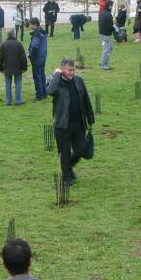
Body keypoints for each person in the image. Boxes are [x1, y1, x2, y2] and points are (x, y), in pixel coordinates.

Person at [46, 58, 95, 187]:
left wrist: (90, 117)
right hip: (62, 125)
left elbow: (86, 99)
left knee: (80, 149)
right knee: (64, 151)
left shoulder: (79, 80)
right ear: (62, 69)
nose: (71, 73)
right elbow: (51, 91)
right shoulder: (55, 81)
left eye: (73, 70)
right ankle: (67, 177)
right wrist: (56, 74)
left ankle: (68, 167)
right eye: (69, 70)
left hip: (78, 123)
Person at [0, 29, 28, 106]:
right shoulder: (19, 44)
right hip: (18, 67)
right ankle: (18, 100)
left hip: (7, 68)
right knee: (18, 83)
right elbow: (23, 57)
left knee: (8, 84)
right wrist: (24, 67)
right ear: (14, 35)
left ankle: (8, 100)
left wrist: (0, 68)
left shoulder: (3, 45)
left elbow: (0, 58)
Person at [27, 18, 48, 101]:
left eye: (30, 24)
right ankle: (44, 92)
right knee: (42, 75)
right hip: (43, 57)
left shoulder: (37, 34)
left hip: (37, 58)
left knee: (37, 76)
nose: (29, 26)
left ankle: (39, 95)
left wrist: (30, 56)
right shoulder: (43, 32)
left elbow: (35, 47)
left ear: (35, 24)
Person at [98, 3, 114, 70]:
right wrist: (114, 28)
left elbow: (99, 23)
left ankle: (103, 62)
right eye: (112, 5)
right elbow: (110, 26)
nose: (112, 7)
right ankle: (104, 65)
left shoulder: (101, 13)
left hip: (102, 33)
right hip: (106, 34)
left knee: (110, 48)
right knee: (106, 50)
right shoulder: (108, 15)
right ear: (109, 6)